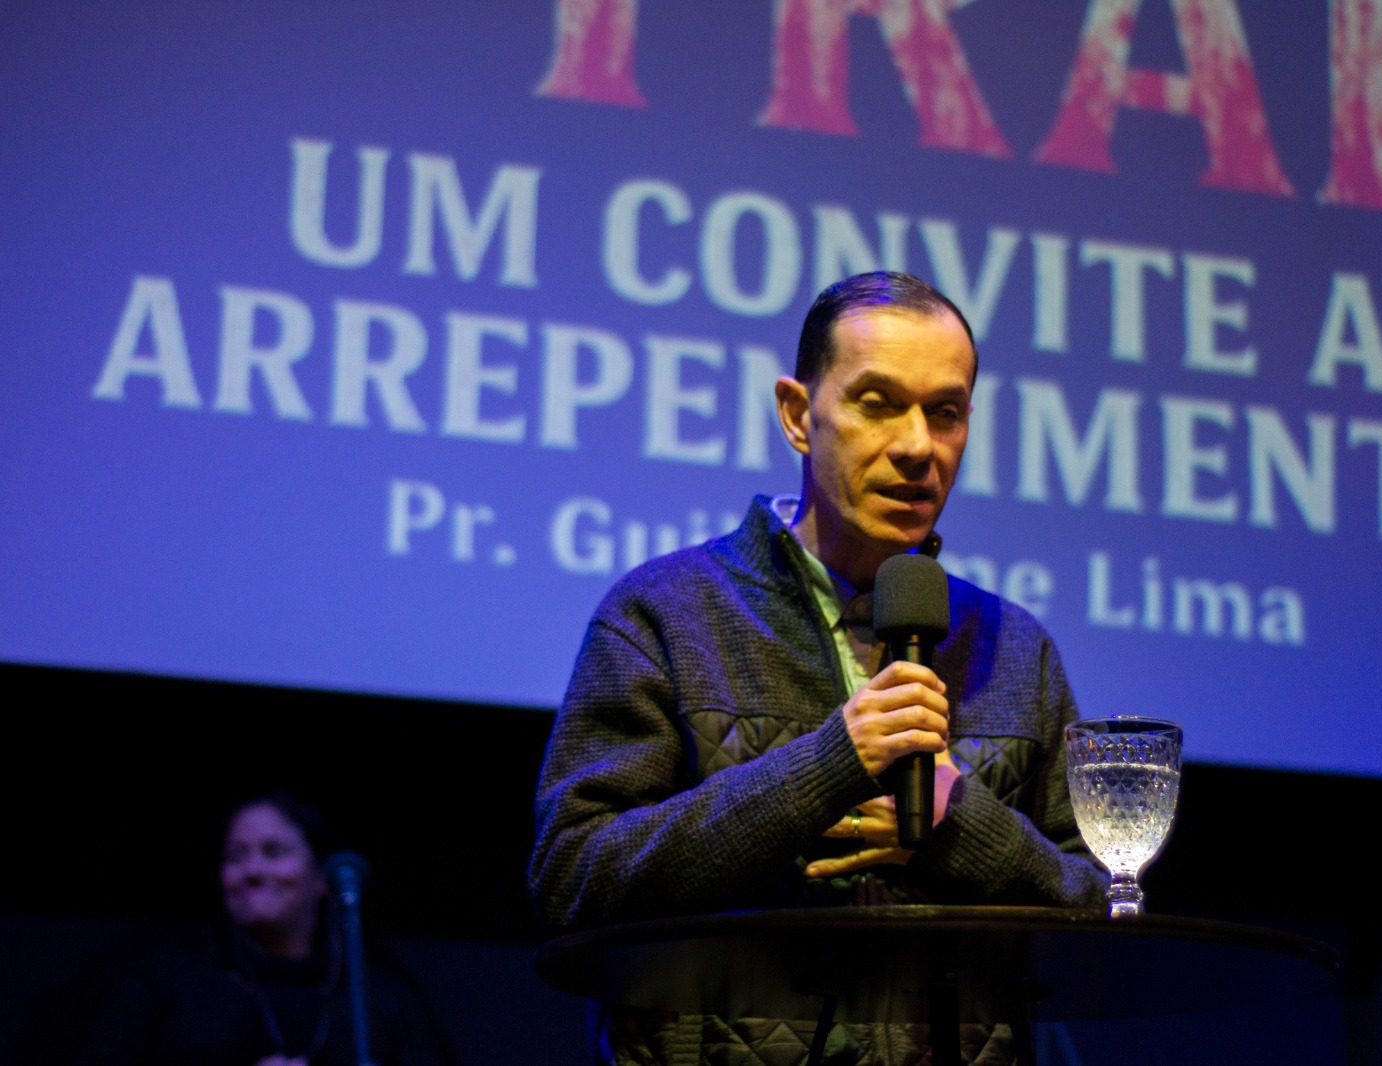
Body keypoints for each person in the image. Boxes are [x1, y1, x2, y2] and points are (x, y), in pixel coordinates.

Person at [528, 272, 1106, 1066]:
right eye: (878, 403)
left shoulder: (1015, 648)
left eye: (945, 412)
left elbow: (1100, 913)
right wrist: (828, 766)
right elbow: (573, 879)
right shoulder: (666, 612)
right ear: (799, 416)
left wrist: (957, 829)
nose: (917, 446)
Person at [75, 793, 453, 1066]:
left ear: (321, 876)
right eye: (236, 857)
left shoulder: (373, 994)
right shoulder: (169, 975)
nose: (253, 872)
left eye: (274, 852)